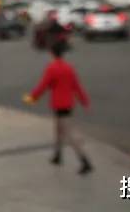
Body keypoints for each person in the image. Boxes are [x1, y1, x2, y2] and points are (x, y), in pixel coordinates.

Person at [24, 40, 93, 174]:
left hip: (59, 104)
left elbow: (42, 86)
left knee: (68, 133)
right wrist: (84, 102)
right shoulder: (69, 68)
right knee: (58, 130)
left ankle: (84, 161)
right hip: (68, 104)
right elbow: (77, 87)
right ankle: (57, 155)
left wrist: (32, 98)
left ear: (51, 54)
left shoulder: (52, 68)